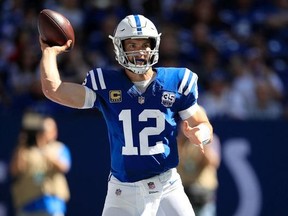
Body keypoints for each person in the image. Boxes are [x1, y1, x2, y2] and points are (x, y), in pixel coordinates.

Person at [39, 14, 213, 216]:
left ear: (154, 45)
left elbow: (203, 123)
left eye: (144, 44)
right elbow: (54, 90)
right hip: (123, 191)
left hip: (167, 186)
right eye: (132, 45)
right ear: (120, 48)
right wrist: (48, 52)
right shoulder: (106, 83)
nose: (140, 50)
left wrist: (201, 133)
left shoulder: (176, 82)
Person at [10, 112, 71, 216]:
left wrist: (45, 151)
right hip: (28, 205)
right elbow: (15, 171)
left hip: (53, 205)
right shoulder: (25, 150)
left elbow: (64, 167)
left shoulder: (59, 148)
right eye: (43, 129)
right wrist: (22, 145)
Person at [177, 123, 221, 216]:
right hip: (185, 193)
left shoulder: (211, 140)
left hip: (203, 194)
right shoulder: (180, 141)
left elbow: (213, 162)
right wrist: (181, 140)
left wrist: (203, 142)